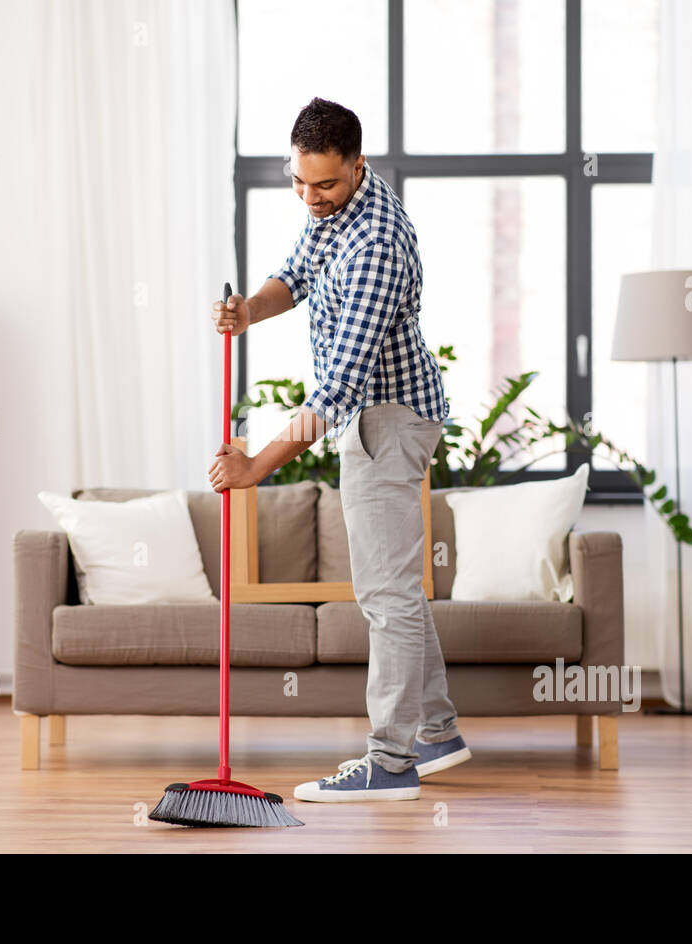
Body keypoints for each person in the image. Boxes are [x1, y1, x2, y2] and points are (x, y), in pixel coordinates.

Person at [206, 97, 471, 802]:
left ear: (358, 165)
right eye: (298, 181)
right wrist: (248, 312)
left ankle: (390, 762)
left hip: (386, 419)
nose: (309, 197)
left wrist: (254, 470)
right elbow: (292, 275)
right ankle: (438, 732)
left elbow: (336, 387)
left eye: (324, 184)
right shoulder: (334, 209)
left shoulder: (376, 244)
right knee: (396, 590)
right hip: (372, 412)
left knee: (385, 595)